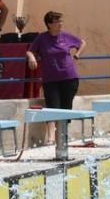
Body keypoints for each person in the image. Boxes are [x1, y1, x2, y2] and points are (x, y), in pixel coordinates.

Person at [26, 11, 86, 144]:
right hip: (50, 79)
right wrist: (31, 58)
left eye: (61, 21)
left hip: (69, 78)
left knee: (65, 107)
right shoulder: (42, 38)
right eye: (57, 22)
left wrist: (77, 54)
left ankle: (62, 136)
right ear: (49, 24)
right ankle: (51, 138)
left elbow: (82, 43)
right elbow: (30, 50)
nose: (60, 24)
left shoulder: (66, 36)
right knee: (53, 107)